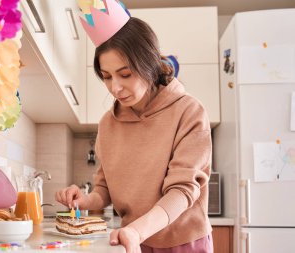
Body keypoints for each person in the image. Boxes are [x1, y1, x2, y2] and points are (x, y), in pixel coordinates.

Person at [55, 14, 213, 253]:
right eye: (107, 77)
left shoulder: (188, 111)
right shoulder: (108, 124)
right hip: (131, 241)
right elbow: (104, 189)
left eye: (125, 74)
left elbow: (182, 191)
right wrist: (84, 200)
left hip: (183, 243)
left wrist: (137, 230)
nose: (115, 88)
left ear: (149, 64)